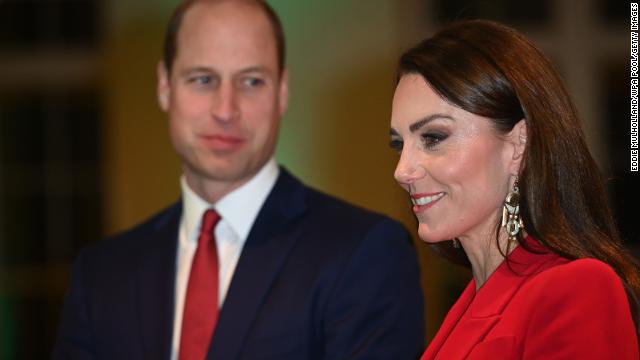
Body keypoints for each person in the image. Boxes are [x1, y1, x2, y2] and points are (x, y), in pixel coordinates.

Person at [52, 0, 425, 359]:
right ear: (165, 86)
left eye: (251, 81)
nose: (225, 109)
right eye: (202, 79)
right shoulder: (102, 275)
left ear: (282, 91)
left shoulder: (365, 254)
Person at [389, 19, 640, 359]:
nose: (402, 171)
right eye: (399, 144)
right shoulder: (468, 306)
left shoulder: (576, 288)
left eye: (433, 138)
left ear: (518, 144)